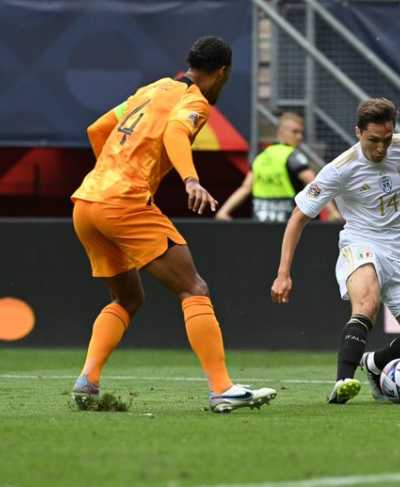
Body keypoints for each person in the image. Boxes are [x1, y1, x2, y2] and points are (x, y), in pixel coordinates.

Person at [70, 35, 276, 413]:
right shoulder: (194, 99)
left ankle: (88, 379)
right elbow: (176, 131)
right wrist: (190, 180)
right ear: (222, 73)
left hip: (87, 203)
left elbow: (97, 129)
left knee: (128, 298)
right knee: (194, 288)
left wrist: (113, 170)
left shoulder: (152, 89)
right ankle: (222, 388)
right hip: (123, 202)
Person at [270, 98, 400, 404]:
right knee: (367, 303)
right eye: (373, 140)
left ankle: (374, 364)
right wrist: (283, 273)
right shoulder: (340, 169)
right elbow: (298, 216)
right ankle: (342, 382)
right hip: (361, 245)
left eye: (386, 140)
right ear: (358, 132)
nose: (381, 149)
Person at [215, 112, 341, 222]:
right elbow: (316, 184)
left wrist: (223, 211)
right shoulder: (293, 156)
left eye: (301, 132)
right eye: (295, 132)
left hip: (262, 223)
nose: (300, 137)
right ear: (281, 132)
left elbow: (245, 188)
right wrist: (333, 212)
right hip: (290, 224)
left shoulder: (261, 156)